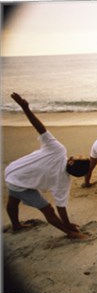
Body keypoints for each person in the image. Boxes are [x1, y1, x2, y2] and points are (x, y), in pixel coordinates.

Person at [5, 92, 91, 239]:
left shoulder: (58, 150)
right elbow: (60, 207)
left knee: (14, 200)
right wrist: (67, 223)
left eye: (80, 157)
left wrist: (25, 107)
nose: (79, 154)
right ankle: (70, 233)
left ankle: (16, 225)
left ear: (71, 161)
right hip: (17, 179)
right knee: (48, 210)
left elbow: (40, 128)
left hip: (13, 171)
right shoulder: (63, 181)